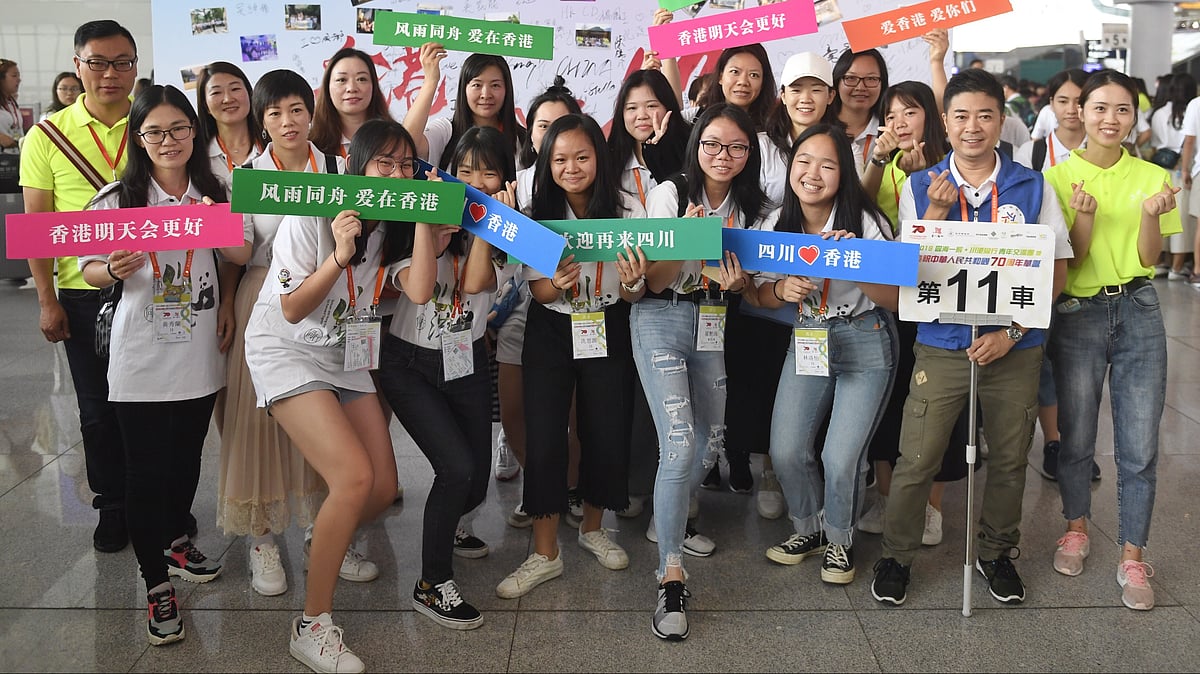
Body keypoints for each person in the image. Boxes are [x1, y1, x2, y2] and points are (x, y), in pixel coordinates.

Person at [870, 68, 1073, 607]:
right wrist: (935, 213)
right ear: (945, 122)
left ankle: (998, 553)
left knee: (1009, 457)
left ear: (1001, 120)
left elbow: (1056, 275)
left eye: (985, 115)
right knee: (918, 455)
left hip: (1015, 347)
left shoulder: (1032, 186)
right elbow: (907, 277)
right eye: (961, 116)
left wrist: (1012, 331)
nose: (973, 127)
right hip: (942, 343)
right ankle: (897, 555)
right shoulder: (920, 185)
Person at [243, 119, 413, 673]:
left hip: (344, 349)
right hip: (286, 347)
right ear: (357, 167)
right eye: (383, 164)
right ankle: (312, 625)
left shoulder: (393, 224)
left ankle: (329, 532)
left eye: (406, 166)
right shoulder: (315, 213)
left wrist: (431, 228)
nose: (395, 175)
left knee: (383, 487)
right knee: (354, 478)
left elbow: (416, 288)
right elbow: (292, 308)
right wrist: (338, 255)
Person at [78, 84, 240, 646]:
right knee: (145, 472)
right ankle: (155, 584)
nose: (168, 141)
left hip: (198, 349)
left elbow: (237, 254)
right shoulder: (116, 200)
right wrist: (113, 270)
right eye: (154, 132)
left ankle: (175, 541)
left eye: (178, 129)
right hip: (142, 353)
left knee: (186, 459)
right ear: (138, 138)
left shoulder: (216, 190)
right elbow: (88, 270)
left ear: (194, 133)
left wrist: (218, 234)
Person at [1043, 69, 1182, 612]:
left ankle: (1133, 552)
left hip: (1140, 308)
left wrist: (1151, 215)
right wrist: (1081, 218)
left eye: (1121, 110)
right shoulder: (1056, 178)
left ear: (1134, 116)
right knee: (1075, 436)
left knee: (1140, 443)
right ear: (1079, 111)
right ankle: (1075, 527)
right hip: (1077, 312)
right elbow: (1070, 262)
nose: (1109, 119)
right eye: (1098, 108)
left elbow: (1149, 258)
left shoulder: (1152, 176)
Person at [495, 113, 648, 600]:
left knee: (604, 428)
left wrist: (631, 283)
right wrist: (551, 285)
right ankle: (544, 552)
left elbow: (633, 294)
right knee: (545, 437)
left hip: (606, 323)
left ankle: (593, 527)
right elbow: (535, 289)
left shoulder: (626, 209)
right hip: (552, 329)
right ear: (546, 162)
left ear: (599, 160)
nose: (572, 167)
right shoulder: (537, 212)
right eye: (559, 158)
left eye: (582, 157)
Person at [636, 103, 766, 640]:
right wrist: (685, 239)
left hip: (711, 321)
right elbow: (653, 280)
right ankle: (670, 574)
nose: (723, 156)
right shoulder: (669, 193)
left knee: (712, 438)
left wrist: (741, 287)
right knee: (681, 441)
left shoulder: (753, 206)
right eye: (713, 143)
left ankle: (666, 515)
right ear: (696, 145)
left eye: (737, 147)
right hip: (660, 318)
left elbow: (754, 285)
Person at [216, 69, 346, 597]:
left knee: (324, 416)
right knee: (256, 421)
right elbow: (242, 254)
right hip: (262, 301)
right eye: (274, 113)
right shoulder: (246, 175)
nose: (287, 122)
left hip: (329, 300)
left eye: (296, 109)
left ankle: (324, 527)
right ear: (261, 120)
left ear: (311, 111)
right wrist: (220, 228)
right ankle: (263, 541)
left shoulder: (338, 167)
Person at [377, 126, 512, 629]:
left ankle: (450, 522)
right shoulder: (415, 219)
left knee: (474, 481)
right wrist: (428, 226)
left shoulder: (506, 237)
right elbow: (418, 288)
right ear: (448, 173)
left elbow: (477, 281)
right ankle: (432, 582)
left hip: (467, 362)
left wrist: (487, 222)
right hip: (409, 364)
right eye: (466, 170)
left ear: (505, 178)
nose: (476, 180)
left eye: (489, 171)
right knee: (455, 468)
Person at [19, 19, 141, 554]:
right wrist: (47, 301)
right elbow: (36, 228)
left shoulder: (156, 123)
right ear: (78, 66)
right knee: (97, 407)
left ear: (135, 67)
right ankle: (112, 504)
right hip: (83, 292)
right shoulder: (45, 136)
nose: (110, 74)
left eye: (122, 63)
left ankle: (161, 503)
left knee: (153, 405)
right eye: (98, 63)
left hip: (158, 289)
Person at [758, 124, 898, 585]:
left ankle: (840, 539)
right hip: (809, 338)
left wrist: (854, 259)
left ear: (845, 174)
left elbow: (894, 298)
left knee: (842, 457)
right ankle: (809, 529)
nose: (812, 173)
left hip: (865, 337)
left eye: (827, 164)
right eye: (803, 161)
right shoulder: (775, 222)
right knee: (786, 447)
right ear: (790, 166)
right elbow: (756, 295)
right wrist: (780, 288)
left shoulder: (868, 223)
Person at [503, 77, 583, 526]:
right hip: (514, 308)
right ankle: (539, 484)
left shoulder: (587, 180)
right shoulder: (514, 186)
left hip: (568, 309)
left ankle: (567, 489)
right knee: (517, 408)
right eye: (542, 125)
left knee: (568, 414)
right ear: (531, 132)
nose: (551, 131)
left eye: (561, 123)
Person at [1015, 68, 1100, 486]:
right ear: (1050, 105)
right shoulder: (1031, 155)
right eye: (1063, 101)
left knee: (1081, 366)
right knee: (1045, 363)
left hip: (1092, 276)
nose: (1072, 110)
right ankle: (1054, 442)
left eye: (1080, 101)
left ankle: (1079, 445)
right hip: (1045, 274)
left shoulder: (1106, 153)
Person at [405, 43, 527, 170]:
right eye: (477, 85)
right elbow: (407, 146)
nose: (486, 94)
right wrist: (431, 80)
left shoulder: (522, 139)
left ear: (507, 89)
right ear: (464, 89)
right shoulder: (446, 131)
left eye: (495, 85)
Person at [1149, 73, 1196, 280]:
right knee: (1181, 218)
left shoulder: (1159, 112)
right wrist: (1186, 169)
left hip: (1161, 166)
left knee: (1163, 215)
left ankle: (1161, 262)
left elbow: (1152, 142)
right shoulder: (1190, 110)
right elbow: (1189, 143)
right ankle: (1177, 268)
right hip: (1182, 167)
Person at [309, 47, 394, 159]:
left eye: (361, 79)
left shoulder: (393, 140)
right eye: (341, 80)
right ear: (327, 88)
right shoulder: (311, 145)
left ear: (373, 86)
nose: (352, 88)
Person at [195, 61, 262, 184]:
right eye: (216, 92)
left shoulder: (272, 145)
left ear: (250, 94)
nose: (228, 99)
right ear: (206, 106)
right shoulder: (197, 156)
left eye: (235, 89)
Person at [830, 48, 889, 175]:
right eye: (851, 78)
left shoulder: (889, 130)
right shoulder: (820, 125)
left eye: (871, 79)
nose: (860, 87)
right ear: (837, 81)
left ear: (882, 84)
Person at [0, 59, 22, 153]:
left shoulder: (11, 102)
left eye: (18, 76)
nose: (19, 79)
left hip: (14, 156)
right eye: (14, 76)